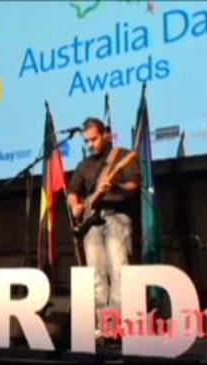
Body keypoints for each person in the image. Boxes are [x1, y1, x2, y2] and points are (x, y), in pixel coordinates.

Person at [67, 117, 141, 339]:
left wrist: (115, 184)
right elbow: (73, 191)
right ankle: (102, 325)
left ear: (106, 135)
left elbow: (135, 184)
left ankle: (117, 326)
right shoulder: (84, 165)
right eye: (87, 141)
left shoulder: (122, 156)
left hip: (116, 217)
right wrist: (76, 205)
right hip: (92, 222)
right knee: (96, 275)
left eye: (94, 139)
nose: (90, 144)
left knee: (119, 272)